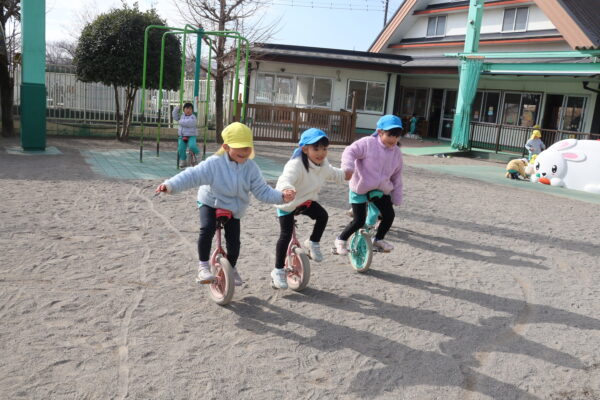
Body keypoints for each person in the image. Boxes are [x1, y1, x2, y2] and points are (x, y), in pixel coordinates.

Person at [156, 122, 296, 285]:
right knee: (207, 229)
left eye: (247, 147)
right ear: (226, 146)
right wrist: (170, 185)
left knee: (234, 243)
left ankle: (231, 268)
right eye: (239, 147)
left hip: (234, 208)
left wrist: (281, 196)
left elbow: (262, 190)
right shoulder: (214, 163)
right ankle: (203, 267)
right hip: (210, 202)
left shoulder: (251, 168)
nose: (244, 151)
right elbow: (192, 175)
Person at [271, 128, 350, 289]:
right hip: (288, 203)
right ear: (305, 149)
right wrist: (286, 190)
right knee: (286, 235)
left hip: (305, 201)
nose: (321, 153)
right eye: (316, 149)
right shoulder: (296, 165)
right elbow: (285, 179)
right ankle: (278, 270)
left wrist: (345, 174)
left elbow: (333, 173)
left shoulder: (323, 164)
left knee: (323, 215)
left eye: (324, 148)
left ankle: (313, 242)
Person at [335, 114, 404, 254]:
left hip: (380, 190)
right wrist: (348, 168)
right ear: (380, 132)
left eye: (397, 136)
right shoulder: (368, 143)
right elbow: (350, 151)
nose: (394, 139)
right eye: (390, 135)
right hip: (360, 188)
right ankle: (341, 240)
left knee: (389, 215)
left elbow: (397, 175)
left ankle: (378, 239)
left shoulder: (396, 152)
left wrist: (396, 195)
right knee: (359, 220)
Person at [172, 102, 200, 168]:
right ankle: (183, 160)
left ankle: (198, 153)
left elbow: (189, 123)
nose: (188, 110)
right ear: (184, 110)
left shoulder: (193, 117)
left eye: (190, 109)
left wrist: (180, 122)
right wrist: (177, 108)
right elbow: (175, 116)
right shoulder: (182, 116)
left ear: (192, 110)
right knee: (181, 148)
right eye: (186, 109)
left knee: (192, 146)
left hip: (191, 136)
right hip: (183, 136)